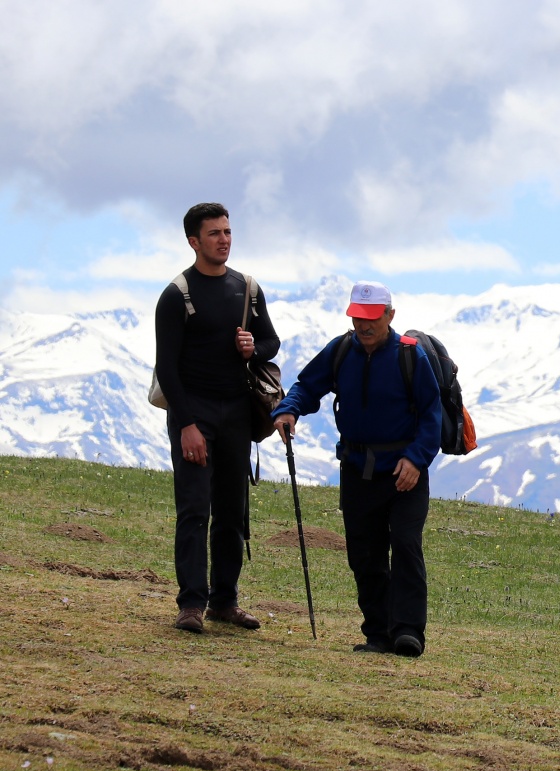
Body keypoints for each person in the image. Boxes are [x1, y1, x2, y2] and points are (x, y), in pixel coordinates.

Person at [272, 281, 442, 657]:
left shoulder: (411, 357)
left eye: (371, 319)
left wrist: (415, 460)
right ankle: (378, 634)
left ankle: (408, 632)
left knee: (405, 544)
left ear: (390, 316)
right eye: (357, 318)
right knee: (364, 554)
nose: (363, 326)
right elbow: (307, 385)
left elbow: (433, 415)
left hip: (404, 473)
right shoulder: (341, 350)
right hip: (357, 470)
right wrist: (287, 409)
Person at [154, 202, 280, 633]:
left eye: (227, 232)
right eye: (214, 234)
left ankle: (224, 601)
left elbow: (270, 342)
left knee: (233, 510)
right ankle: (191, 603)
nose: (223, 240)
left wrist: (253, 349)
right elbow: (167, 369)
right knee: (194, 508)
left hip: (236, 411)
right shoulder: (176, 295)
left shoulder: (246, 288)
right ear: (194, 241)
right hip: (194, 412)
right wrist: (186, 425)